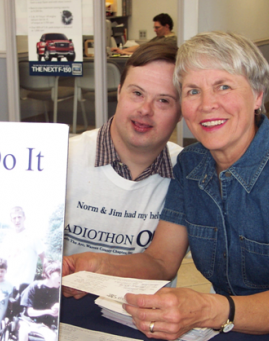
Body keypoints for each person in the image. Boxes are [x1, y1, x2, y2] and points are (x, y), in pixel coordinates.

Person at [64, 31, 269, 339]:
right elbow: (160, 261)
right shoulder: (190, 165)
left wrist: (208, 309)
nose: (207, 105)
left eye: (223, 87)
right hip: (229, 332)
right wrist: (96, 264)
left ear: (258, 95)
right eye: (193, 91)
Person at [64, 41, 182, 257]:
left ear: (181, 112)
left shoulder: (186, 173)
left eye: (163, 100)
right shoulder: (64, 158)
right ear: (119, 92)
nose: (145, 110)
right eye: (137, 93)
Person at [18, 261, 61, 341]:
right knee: (23, 330)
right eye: (60, 275)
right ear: (50, 274)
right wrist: (48, 311)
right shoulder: (34, 287)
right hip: (27, 321)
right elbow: (30, 312)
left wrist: (58, 308)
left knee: (53, 336)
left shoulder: (58, 291)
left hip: (43, 325)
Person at [0, 207, 45, 290]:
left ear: (24, 218)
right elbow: (0, 259)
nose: (17, 220)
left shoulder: (32, 236)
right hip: (8, 282)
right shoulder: (8, 237)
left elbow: (43, 257)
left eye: (19, 217)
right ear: (11, 220)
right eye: (14, 218)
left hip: (25, 284)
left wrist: (45, 271)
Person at [111, 13, 177, 55]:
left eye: (157, 28)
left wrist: (125, 53)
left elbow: (149, 54)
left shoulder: (171, 41)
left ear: (167, 26)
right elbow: (141, 47)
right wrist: (122, 50)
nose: (155, 30)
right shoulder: (158, 38)